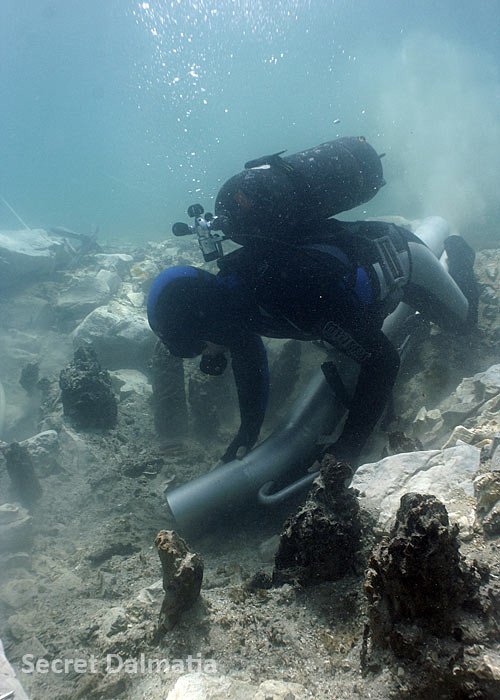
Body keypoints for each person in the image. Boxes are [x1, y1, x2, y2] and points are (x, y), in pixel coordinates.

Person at [147, 216, 478, 466]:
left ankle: (459, 256)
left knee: (464, 324)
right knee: (348, 339)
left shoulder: (289, 296)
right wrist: (248, 432)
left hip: (403, 258)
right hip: (357, 273)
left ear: (207, 323)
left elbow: (383, 361)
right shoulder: (236, 299)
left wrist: (348, 448)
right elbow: (249, 360)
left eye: (196, 347)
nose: (205, 357)